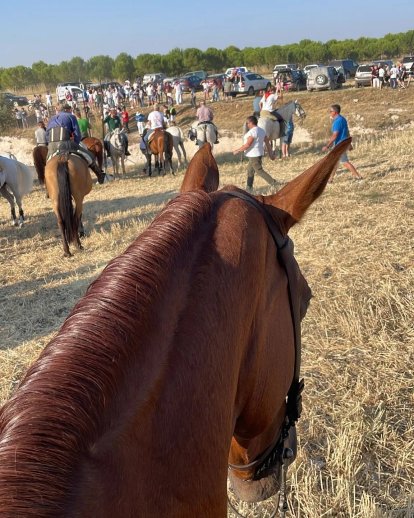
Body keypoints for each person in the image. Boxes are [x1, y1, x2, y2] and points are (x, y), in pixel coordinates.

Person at [46, 104, 102, 177]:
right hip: (65, 142)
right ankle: (100, 175)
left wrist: (50, 144)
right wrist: (75, 144)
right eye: (69, 110)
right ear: (66, 110)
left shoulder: (51, 119)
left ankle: (46, 177)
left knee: (48, 161)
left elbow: (47, 134)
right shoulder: (71, 116)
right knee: (87, 155)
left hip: (52, 144)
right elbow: (77, 133)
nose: (70, 111)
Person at [233, 115, 277, 192]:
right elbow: (267, 143)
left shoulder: (253, 132)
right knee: (250, 170)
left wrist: (238, 150)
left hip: (254, 155)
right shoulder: (261, 130)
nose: (247, 125)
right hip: (257, 154)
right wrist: (271, 155)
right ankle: (249, 188)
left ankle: (274, 183)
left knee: (259, 170)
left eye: (247, 123)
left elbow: (247, 144)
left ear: (250, 122)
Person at [322, 104, 362, 182]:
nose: (329, 113)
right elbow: (347, 131)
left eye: (331, 111)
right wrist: (349, 143)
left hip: (340, 145)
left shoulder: (337, 122)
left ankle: (358, 176)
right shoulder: (343, 119)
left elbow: (335, 135)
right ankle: (330, 179)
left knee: (345, 162)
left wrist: (327, 146)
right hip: (343, 143)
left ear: (335, 112)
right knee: (335, 162)